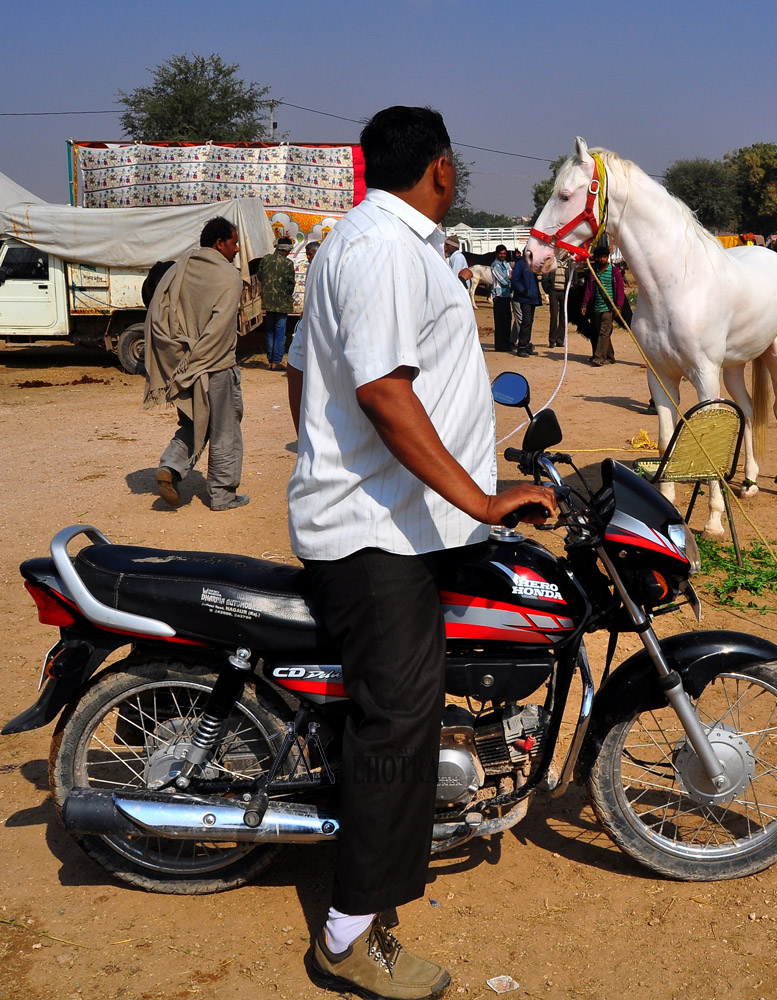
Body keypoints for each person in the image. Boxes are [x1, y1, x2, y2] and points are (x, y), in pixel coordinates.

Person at [286, 105, 555, 1000]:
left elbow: (302, 373)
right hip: (376, 534)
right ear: (442, 169)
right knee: (397, 716)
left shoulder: (364, 240)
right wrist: (479, 496)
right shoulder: (385, 251)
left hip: (396, 518)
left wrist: (327, 454)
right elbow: (383, 392)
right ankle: (350, 932)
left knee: (414, 696)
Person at [144, 217, 249, 511]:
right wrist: (199, 363)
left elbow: (157, 312)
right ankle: (222, 495)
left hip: (182, 365)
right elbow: (219, 331)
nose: (237, 248)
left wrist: (181, 364)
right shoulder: (228, 276)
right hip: (214, 366)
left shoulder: (180, 268)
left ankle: (171, 467)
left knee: (193, 421)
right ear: (219, 244)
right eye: (234, 242)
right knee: (224, 430)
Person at [581, 243, 625, 366]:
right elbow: (589, 290)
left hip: (609, 308)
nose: (602, 259)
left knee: (604, 332)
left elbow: (620, 290)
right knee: (600, 332)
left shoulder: (614, 272)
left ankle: (599, 357)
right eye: (600, 257)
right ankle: (610, 357)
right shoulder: (594, 273)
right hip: (596, 308)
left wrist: (619, 306)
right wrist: (584, 305)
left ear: (608, 257)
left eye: (604, 257)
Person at [258, 236, 295, 370]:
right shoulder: (288, 264)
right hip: (282, 303)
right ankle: (276, 361)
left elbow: (260, 277)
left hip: (268, 302)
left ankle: (270, 360)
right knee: (280, 332)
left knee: (270, 331)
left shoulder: (266, 259)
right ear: (287, 250)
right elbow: (291, 284)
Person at [510, 251, 541, 357]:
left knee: (530, 321)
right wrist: (523, 290)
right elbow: (515, 279)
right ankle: (521, 347)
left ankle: (527, 345)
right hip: (524, 298)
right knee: (526, 321)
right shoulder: (521, 264)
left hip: (532, 297)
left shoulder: (532, 264)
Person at [540, 257, 569, 348]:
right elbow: (545, 277)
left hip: (565, 293)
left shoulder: (569, 264)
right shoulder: (552, 262)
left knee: (563, 317)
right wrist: (548, 291)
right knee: (554, 316)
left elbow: (574, 278)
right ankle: (552, 340)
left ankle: (560, 340)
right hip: (554, 292)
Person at [490, 244, 513, 352]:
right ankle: (500, 345)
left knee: (507, 320)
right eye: (500, 253)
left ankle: (506, 342)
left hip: (506, 295)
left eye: (504, 253)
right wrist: (510, 278)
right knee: (500, 322)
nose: (502, 255)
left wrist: (509, 277)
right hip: (499, 296)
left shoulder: (505, 264)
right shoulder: (496, 265)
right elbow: (504, 281)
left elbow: (510, 275)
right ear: (496, 254)